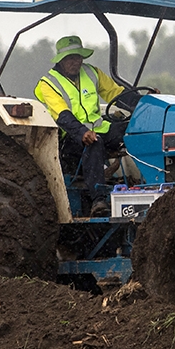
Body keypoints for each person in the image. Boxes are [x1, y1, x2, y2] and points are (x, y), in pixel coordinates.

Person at [34, 35, 126, 216]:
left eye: (77, 57)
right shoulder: (48, 83)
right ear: (60, 60)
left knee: (133, 130)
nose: (74, 62)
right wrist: (82, 132)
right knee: (94, 142)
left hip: (99, 129)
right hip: (69, 138)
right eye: (69, 58)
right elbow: (62, 115)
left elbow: (117, 94)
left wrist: (145, 101)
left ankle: (144, 186)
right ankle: (98, 200)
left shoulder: (92, 73)